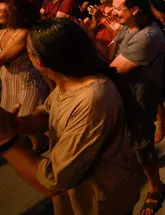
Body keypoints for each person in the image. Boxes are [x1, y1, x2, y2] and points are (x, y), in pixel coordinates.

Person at [0, 19, 139, 215]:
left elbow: (53, 182)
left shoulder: (92, 98)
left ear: (39, 61)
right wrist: (17, 124)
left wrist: (6, 141)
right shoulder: (69, 82)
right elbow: (49, 113)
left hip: (101, 204)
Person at [109, 0, 165, 215]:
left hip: (139, 101)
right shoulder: (129, 27)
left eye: (117, 9)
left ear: (134, 9)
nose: (113, 13)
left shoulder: (148, 36)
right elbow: (109, 51)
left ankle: (155, 188)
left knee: (142, 145)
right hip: (125, 96)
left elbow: (111, 69)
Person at [0, 0, 49, 151]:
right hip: (10, 82)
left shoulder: (23, 33)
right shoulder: (2, 32)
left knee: (27, 119)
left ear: (14, 14)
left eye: (2, 10)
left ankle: (42, 155)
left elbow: (3, 58)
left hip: (27, 82)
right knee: (15, 121)